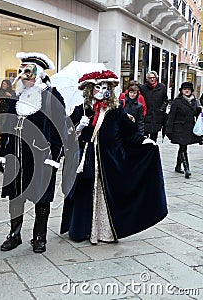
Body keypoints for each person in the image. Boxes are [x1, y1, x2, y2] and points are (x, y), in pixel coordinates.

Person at [60, 70, 167, 244]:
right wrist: (79, 127)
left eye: (105, 87)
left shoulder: (116, 111)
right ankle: (82, 230)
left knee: (105, 196)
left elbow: (130, 133)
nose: (102, 90)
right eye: (97, 87)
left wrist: (145, 142)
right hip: (85, 161)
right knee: (84, 193)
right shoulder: (81, 110)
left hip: (109, 163)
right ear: (89, 90)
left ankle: (103, 232)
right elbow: (65, 134)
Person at [0, 52, 67, 253]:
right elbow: (6, 126)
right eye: (22, 72)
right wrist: (3, 151)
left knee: (42, 196)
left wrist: (54, 158)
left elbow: (59, 129)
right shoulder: (15, 97)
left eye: (28, 72)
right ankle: (15, 234)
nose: (24, 77)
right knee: (15, 196)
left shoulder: (51, 96)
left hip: (40, 157)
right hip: (16, 155)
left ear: (38, 75)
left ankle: (39, 236)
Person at [166, 82, 202, 178]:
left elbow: (195, 114)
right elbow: (171, 116)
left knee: (183, 146)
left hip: (189, 127)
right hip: (179, 127)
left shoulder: (195, 101)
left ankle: (178, 166)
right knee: (183, 146)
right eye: (185, 89)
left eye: (189, 89)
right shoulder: (177, 101)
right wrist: (168, 129)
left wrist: (198, 111)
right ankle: (187, 169)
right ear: (181, 91)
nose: (187, 91)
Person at [0, 79, 17, 172]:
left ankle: (7, 152)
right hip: (2, 117)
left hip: (10, 117)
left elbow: (15, 102)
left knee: (9, 136)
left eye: (5, 84)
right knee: (3, 136)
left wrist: (11, 96)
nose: (4, 85)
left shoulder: (12, 92)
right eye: (3, 84)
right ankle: (1, 153)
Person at [139, 71, 168, 142]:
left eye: (153, 78)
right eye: (150, 78)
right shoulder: (143, 88)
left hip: (157, 115)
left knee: (154, 137)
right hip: (146, 115)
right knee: (144, 137)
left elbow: (165, 100)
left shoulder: (162, 87)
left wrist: (161, 109)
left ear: (156, 78)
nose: (152, 79)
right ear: (147, 79)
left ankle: (152, 150)